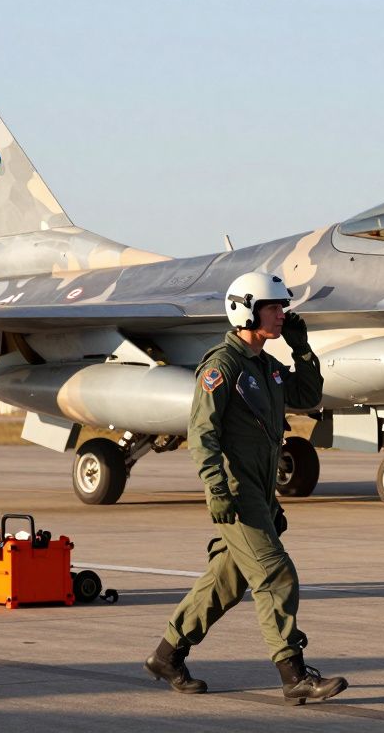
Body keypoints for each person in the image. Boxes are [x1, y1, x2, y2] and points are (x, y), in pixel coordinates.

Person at [144, 272, 348, 705]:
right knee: (276, 575)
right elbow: (202, 433)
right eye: (274, 308)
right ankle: (293, 675)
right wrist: (216, 488)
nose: (281, 315)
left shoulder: (267, 368)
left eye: (281, 308)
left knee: (225, 581)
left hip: (259, 491)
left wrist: (302, 348)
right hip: (236, 493)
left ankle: (166, 656)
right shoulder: (223, 367)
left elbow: (309, 395)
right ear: (247, 310)